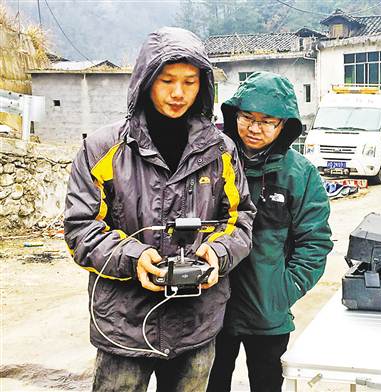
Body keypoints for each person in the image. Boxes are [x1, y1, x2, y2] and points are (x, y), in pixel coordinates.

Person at [63, 27, 255, 391]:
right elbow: (80, 227)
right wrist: (134, 258)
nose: (178, 93)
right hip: (124, 324)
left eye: (190, 81)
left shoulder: (221, 151)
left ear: (203, 86)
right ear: (146, 80)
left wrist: (217, 253)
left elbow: (241, 220)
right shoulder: (104, 147)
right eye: (167, 80)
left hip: (196, 322)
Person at [208, 72, 333, 392]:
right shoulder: (213, 163)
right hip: (211, 310)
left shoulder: (299, 174)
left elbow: (315, 241)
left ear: (284, 125)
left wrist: (285, 289)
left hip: (267, 314)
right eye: (247, 117)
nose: (254, 128)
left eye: (267, 121)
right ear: (233, 115)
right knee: (209, 385)